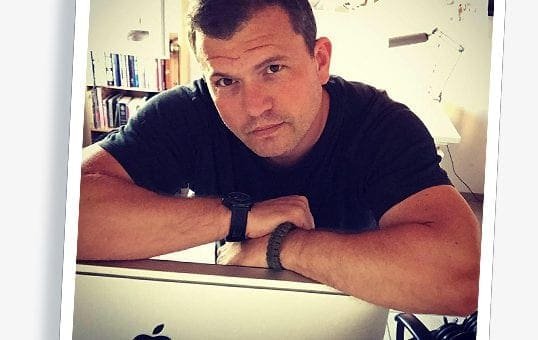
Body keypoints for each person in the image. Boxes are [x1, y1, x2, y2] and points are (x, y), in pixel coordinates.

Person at [78, 0, 480, 316]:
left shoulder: (379, 125)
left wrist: (284, 245)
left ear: (320, 60)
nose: (254, 107)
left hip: (346, 310)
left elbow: (463, 276)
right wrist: (239, 216)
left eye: (273, 68)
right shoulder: (187, 114)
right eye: (226, 80)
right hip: (234, 310)